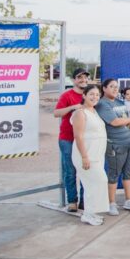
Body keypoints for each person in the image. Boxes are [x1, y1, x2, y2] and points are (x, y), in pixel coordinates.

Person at [96, 79, 130, 215]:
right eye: (112, 86)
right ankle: (111, 203)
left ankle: (129, 200)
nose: (115, 89)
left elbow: (128, 120)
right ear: (104, 88)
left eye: (117, 87)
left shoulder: (120, 102)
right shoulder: (102, 104)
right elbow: (115, 122)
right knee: (114, 174)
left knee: (128, 172)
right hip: (116, 145)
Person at [70, 85, 109, 226]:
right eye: (91, 94)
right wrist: (84, 157)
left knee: (92, 184)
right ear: (84, 95)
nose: (95, 97)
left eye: (97, 95)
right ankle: (88, 213)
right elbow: (78, 136)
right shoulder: (80, 113)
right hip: (85, 154)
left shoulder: (94, 111)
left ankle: (90, 213)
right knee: (100, 180)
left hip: (97, 154)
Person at [53, 67, 89, 212]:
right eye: (80, 77)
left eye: (85, 77)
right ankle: (72, 201)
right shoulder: (67, 95)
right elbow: (56, 113)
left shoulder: (90, 95)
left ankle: (84, 201)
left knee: (86, 170)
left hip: (85, 139)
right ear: (74, 80)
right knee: (70, 171)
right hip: (67, 139)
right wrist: (72, 107)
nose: (83, 80)